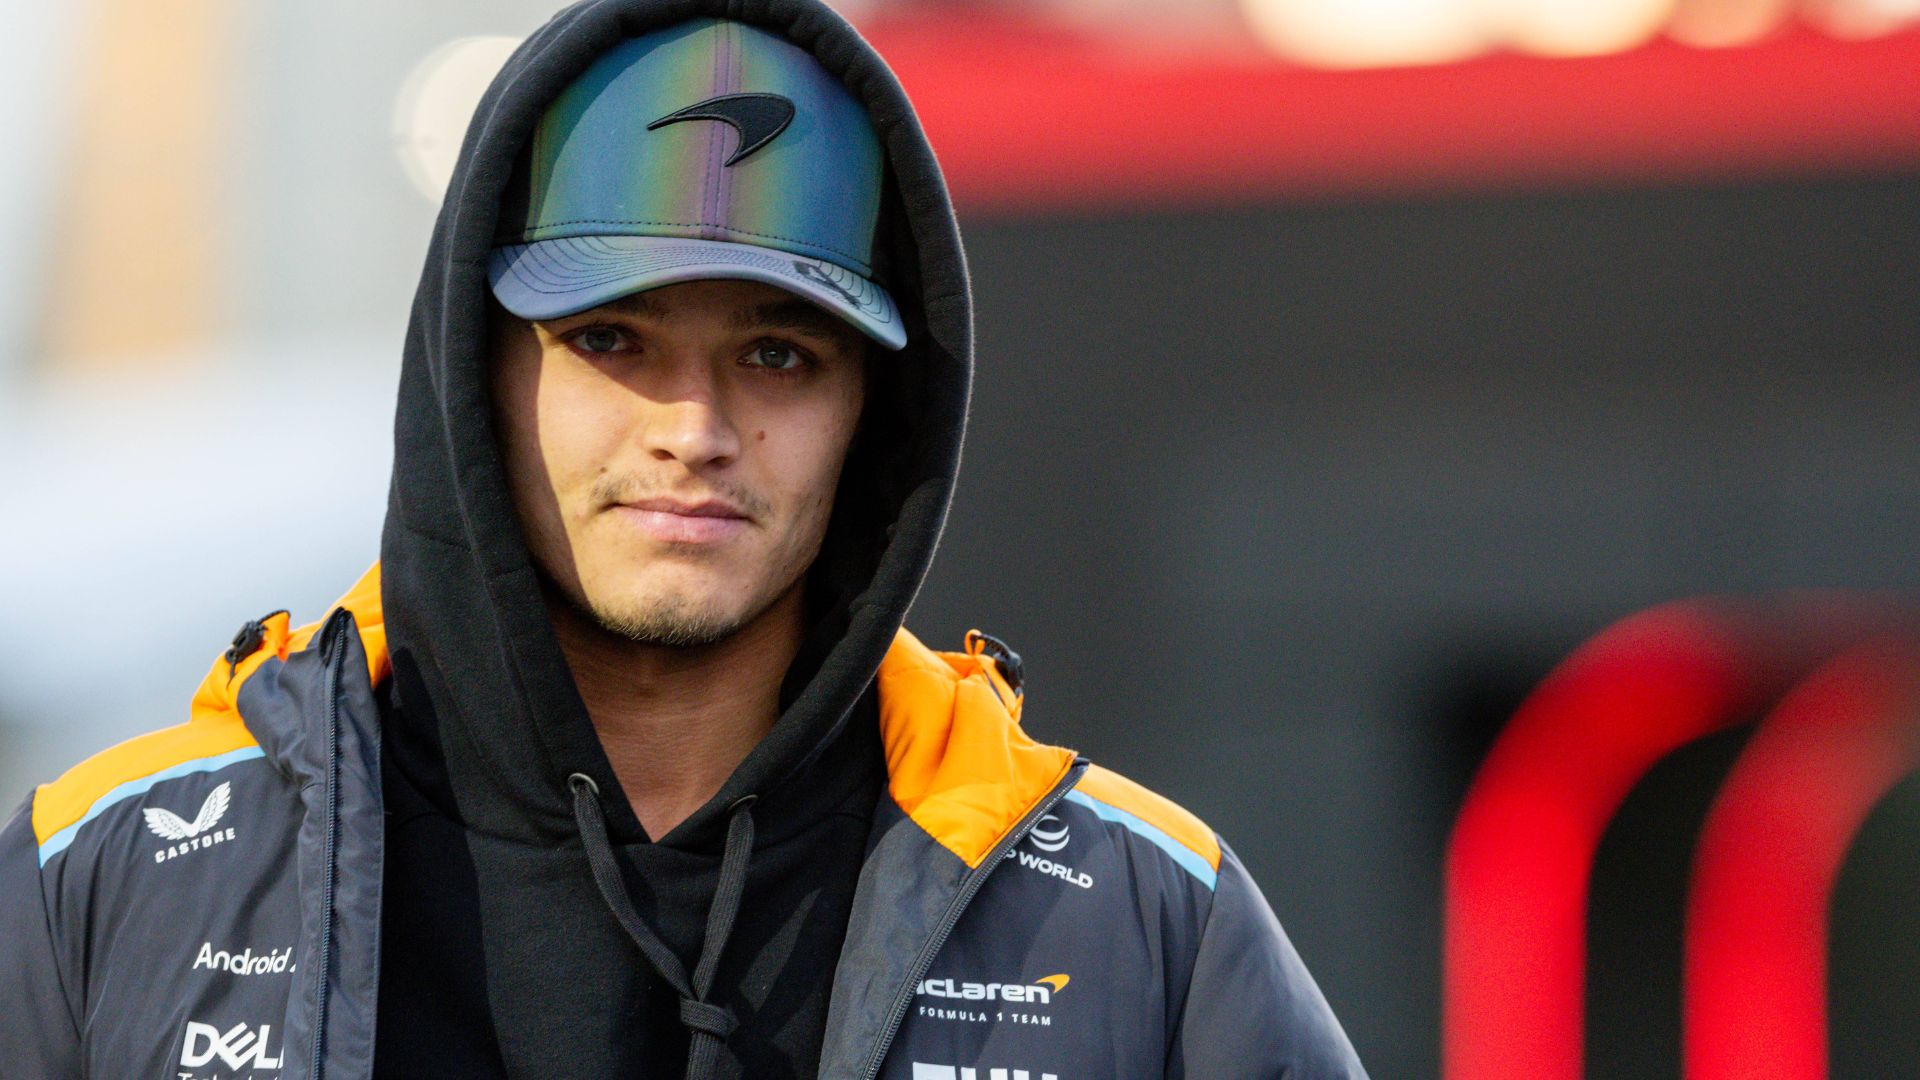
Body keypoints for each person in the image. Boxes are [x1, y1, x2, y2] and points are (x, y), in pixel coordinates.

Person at [0, 1, 1367, 1077]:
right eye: (610, 339)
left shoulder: (1144, 921)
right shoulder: (110, 881)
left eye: (778, 355)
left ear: (873, 416)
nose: (695, 428)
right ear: (475, 379)